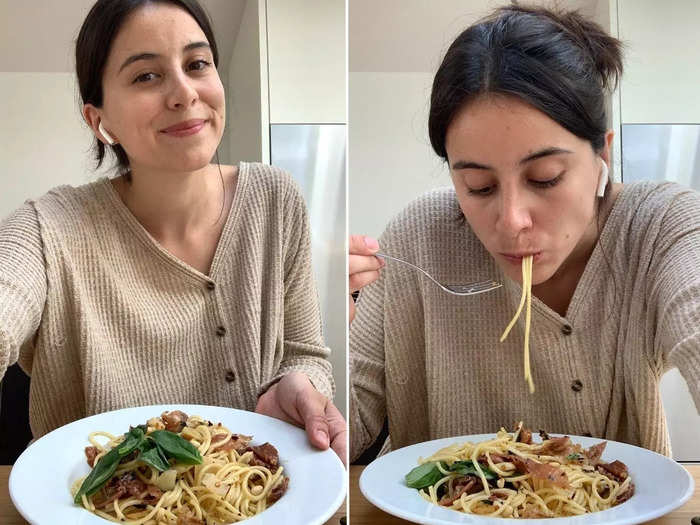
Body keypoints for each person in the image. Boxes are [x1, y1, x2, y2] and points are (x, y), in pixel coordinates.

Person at [349, 4, 700, 463]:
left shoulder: (658, 227)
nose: (512, 219)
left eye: (546, 177)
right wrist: (327, 339)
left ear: (603, 157)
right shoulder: (421, 237)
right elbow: (343, 430)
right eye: (479, 187)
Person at [0, 0, 345, 464]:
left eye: (197, 64)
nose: (184, 93)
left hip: (261, 500)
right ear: (98, 120)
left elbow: (306, 354)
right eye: (146, 76)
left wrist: (299, 386)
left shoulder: (276, 197)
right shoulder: (48, 229)